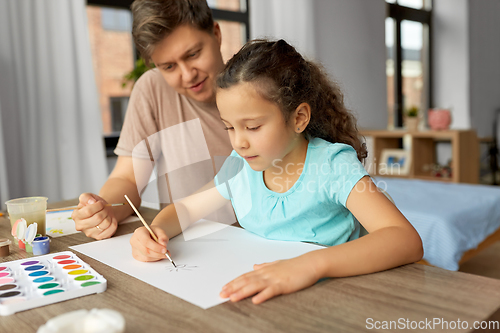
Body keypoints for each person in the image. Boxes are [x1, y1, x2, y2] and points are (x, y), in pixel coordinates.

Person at [129, 39, 423, 304]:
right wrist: (154, 231)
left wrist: (310, 264)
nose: (239, 142)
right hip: (270, 300)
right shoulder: (240, 166)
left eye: (253, 127)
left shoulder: (332, 166)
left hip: (336, 299)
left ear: (298, 118)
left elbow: (404, 239)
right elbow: (185, 209)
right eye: (229, 127)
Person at [72, 0, 233, 240]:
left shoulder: (256, 86)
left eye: (193, 54)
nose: (188, 75)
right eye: (169, 66)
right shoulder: (152, 88)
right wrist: (105, 209)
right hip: (182, 245)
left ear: (217, 35)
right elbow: (128, 178)